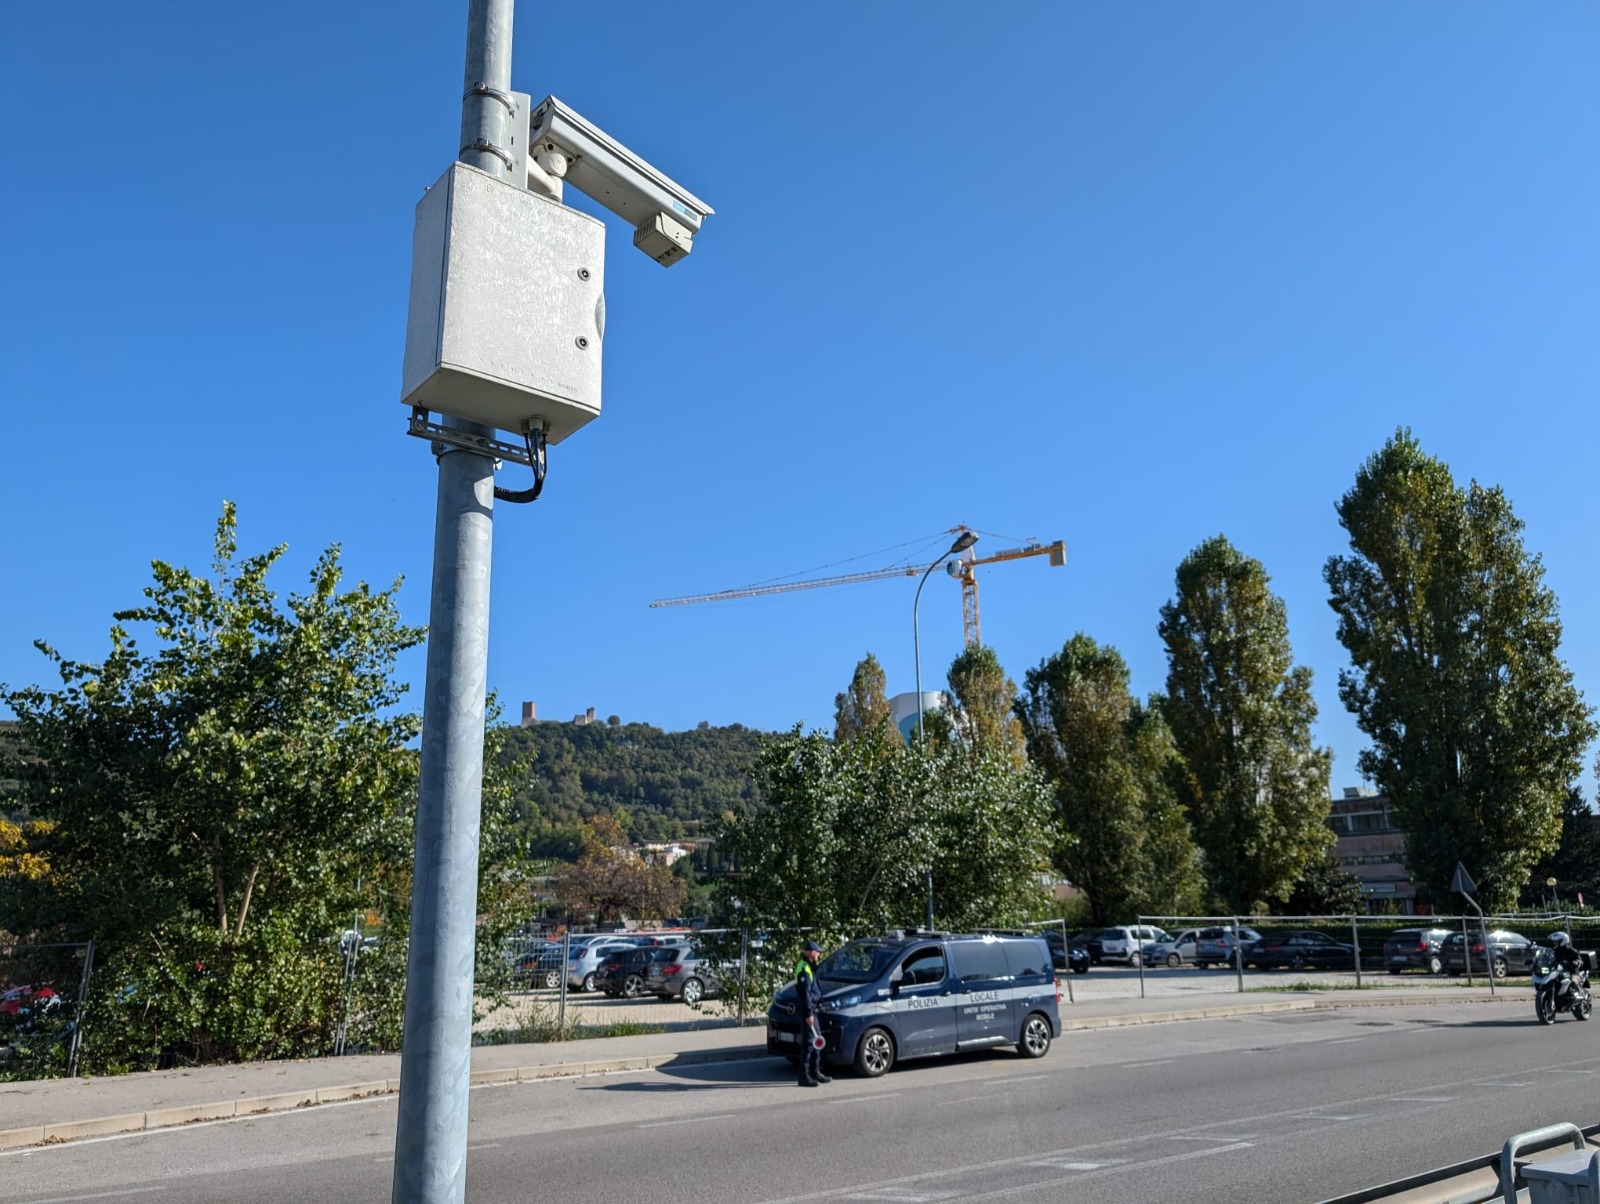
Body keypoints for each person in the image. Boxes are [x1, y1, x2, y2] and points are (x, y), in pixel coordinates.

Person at [795, 940, 831, 1087]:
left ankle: (815, 1072)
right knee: (809, 1044)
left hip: (813, 1010)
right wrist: (809, 1014)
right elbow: (805, 994)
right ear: (811, 952)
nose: (819, 954)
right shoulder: (804, 969)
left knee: (817, 1042)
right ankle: (804, 1075)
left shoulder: (809, 967)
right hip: (808, 1012)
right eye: (817, 952)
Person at [1551, 931, 1582, 999]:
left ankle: (1579, 997)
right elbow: (1548, 959)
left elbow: (1579, 959)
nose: (1554, 943)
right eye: (1554, 942)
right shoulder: (1554, 951)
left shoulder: (1570, 950)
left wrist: (1576, 962)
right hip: (1559, 972)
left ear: (1562, 941)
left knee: (1573, 982)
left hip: (1572, 972)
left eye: (1556, 942)